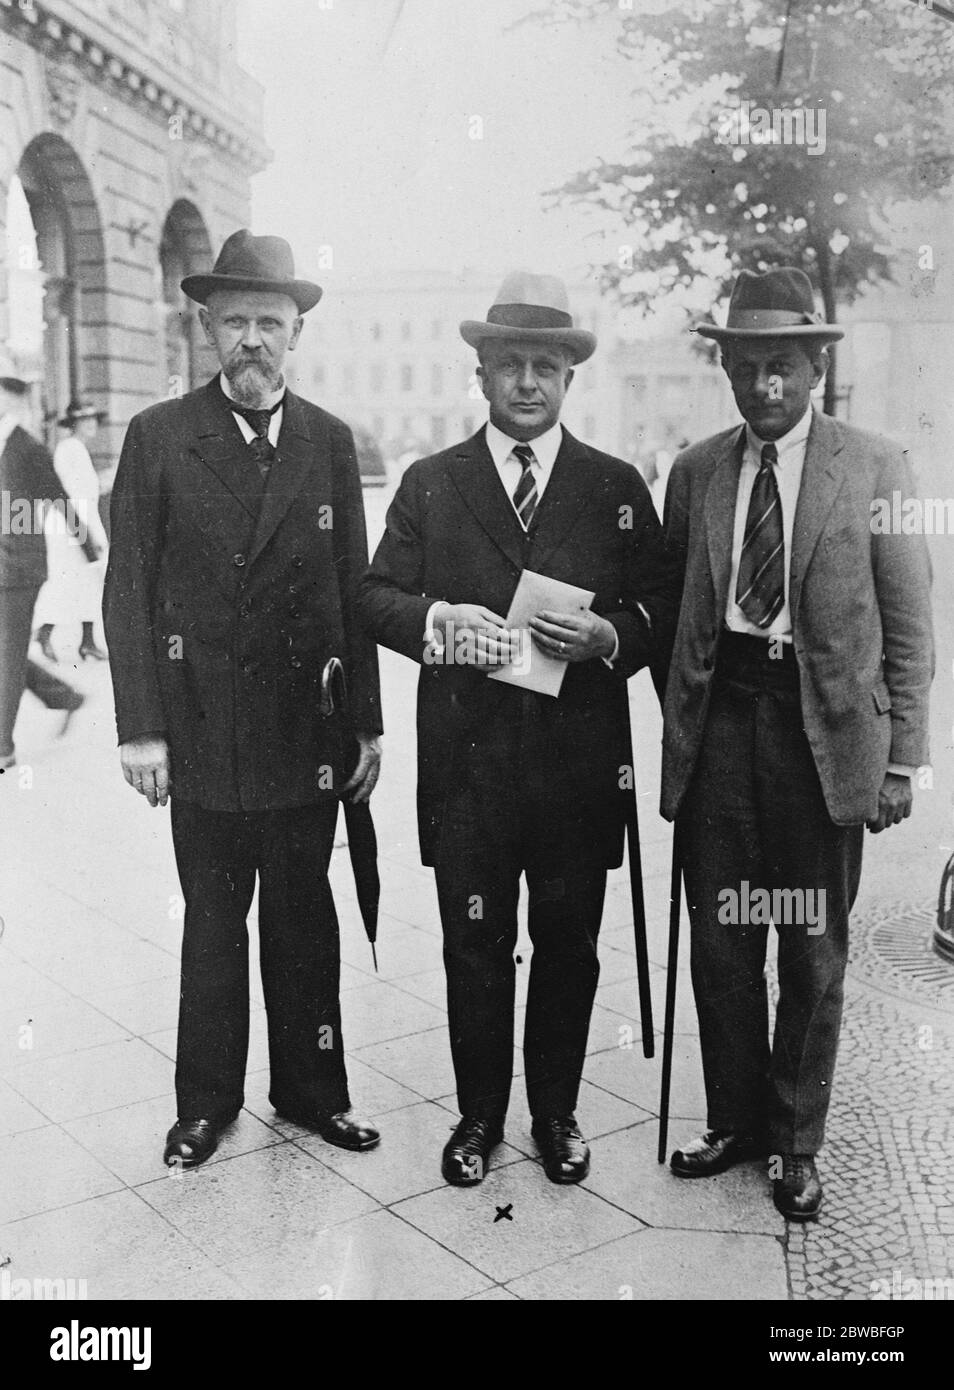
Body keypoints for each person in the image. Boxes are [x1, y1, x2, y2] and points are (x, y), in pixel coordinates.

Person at [358, 271, 678, 1187]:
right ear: (482, 374)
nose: (527, 382)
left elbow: (662, 601)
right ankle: (478, 1117)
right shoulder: (432, 482)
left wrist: (611, 633)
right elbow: (375, 594)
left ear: (570, 378)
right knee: (476, 941)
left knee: (571, 941)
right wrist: (434, 622)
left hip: (580, 770)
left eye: (546, 365)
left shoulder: (614, 486)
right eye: (510, 366)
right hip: (469, 768)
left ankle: (556, 1113)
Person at [103, 230, 383, 1169]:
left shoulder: (329, 442)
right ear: (207, 328)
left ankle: (312, 1092)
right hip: (205, 731)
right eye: (235, 322)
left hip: (304, 732)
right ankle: (205, 1104)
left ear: (296, 330)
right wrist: (141, 727)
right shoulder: (158, 437)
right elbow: (128, 590)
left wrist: (368, 725)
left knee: (305, 915)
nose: (252, 340)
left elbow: (353, 595)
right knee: (214, 922)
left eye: (270, 321)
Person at [661, 267, 934, 1220]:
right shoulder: (695, 472)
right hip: (722, 728)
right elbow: (676, 618)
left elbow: (908, 623)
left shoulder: (874, 466)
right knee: (724, 940)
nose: (764, 387)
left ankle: (794, 1140)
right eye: (746, 367)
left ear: (815, 367)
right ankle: (734, 1119)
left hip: (820, 737)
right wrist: (680, 723)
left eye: (782, 366)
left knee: (812, 946)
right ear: (727, 369)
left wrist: (903, 758)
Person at [0, 353, 88, 772]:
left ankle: (2, 747)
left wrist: (88, 545)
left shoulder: (27, 447)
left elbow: (58, 498)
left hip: (19, 567)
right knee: (6, 652)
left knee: (8, 653)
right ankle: (62, 695)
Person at [35, 398, 109, 664]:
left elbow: (85, 492)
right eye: (84, 420)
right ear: (74, 424)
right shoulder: (70, 448)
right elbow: (67, 495)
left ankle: (87, 641)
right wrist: (87, 535)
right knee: (67, 582)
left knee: (89, 582)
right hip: (70, 526)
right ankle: (44, 633)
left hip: (78, 523)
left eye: (93, 420)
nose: (91, 425)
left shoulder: (77, 449)